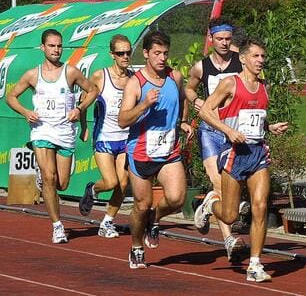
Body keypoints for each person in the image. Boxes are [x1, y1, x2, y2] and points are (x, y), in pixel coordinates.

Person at [195, 38, 288, 282]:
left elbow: (255, 118)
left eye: (262, 57)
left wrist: (270, 126)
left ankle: (255, 264)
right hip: (234, 153)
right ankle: (209, 206)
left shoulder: (264, 85)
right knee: (229, 216)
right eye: (256, 56)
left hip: (257, 153)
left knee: (260, 207)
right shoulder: (230, 83)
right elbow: (205, 110)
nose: (260, 61)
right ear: (243, 59)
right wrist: (227, 131)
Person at [6, 29, 97, 244]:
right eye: (52, 46)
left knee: (62, 183)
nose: (56, 50)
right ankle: (57, 226)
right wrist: (26, 112)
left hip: (65, 132)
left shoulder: (71, 72)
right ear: (43, 48)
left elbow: (92, 90)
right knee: (49, 177)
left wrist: (79, 109)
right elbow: (11, 97)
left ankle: (47, 184)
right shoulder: (32, 74)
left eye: (59, 46)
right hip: (42, 130)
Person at [119, 30, 193, 269]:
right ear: (146, 54)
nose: (162, 58)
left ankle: (155, 217)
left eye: (165, 53)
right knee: (141, 204)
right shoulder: (136, 83)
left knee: (176, 198)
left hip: (168, 151)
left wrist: (182, 121)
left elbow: (182, 99)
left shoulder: (175, 77)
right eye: (157, 53)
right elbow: (122, 120)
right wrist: (144, 105)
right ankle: (136, 247)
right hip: (141, 151)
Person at [185, 18, 248, 262]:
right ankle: (229, 239)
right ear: (210, 38)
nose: (223, 43)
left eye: (227, 39)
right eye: (219, 39)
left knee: (232, 184)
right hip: (211, 130)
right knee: (218, 181)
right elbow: (189, 88)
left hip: (234, 129)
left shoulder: (239, 61)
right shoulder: (201, 67)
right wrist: (195, 100)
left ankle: (210, 205)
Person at [77, 34, 134, 238]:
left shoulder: (133, 77)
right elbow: (83, 102)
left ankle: (107, 222)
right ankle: (93, 189)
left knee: (123, 183)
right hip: (104, 136)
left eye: (128, 52)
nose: (125, 56)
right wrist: (83, 127)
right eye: (121, 53)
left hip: (125, 137)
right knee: (110, 182)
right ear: (112, 55)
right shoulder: (100, 76)